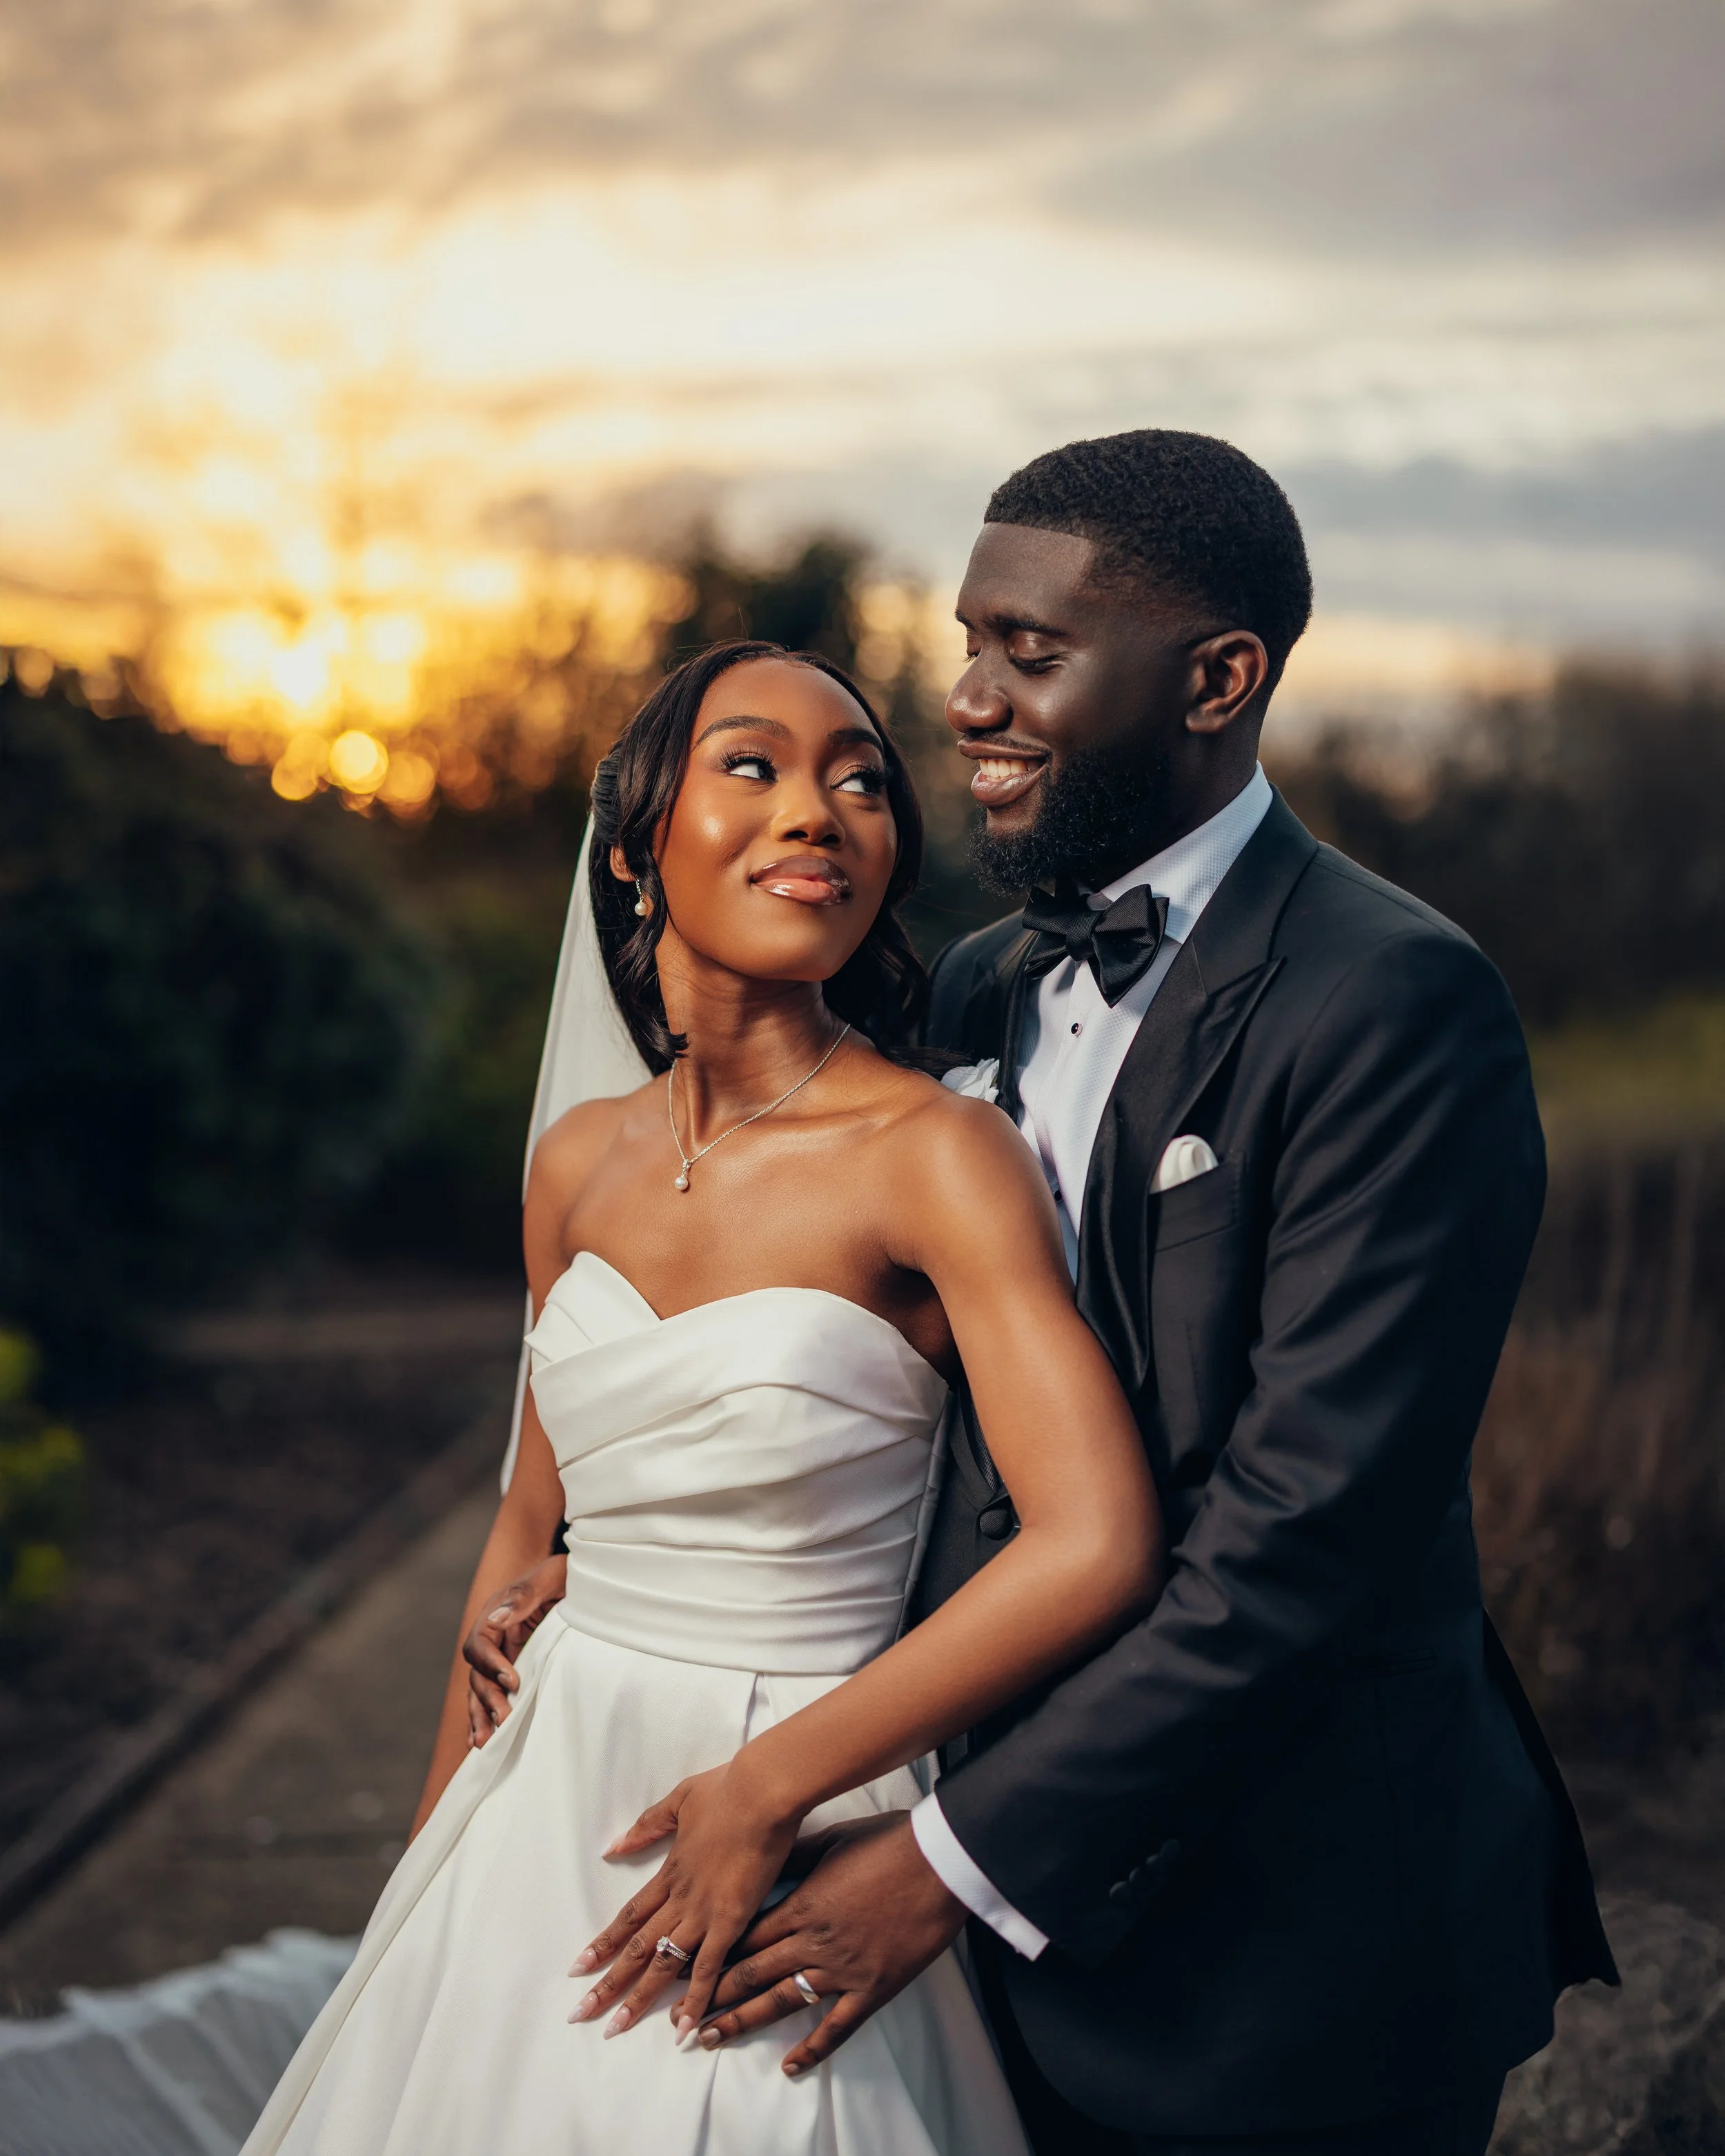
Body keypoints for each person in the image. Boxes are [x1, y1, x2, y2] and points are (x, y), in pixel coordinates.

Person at [506, 431, 1615, 2156]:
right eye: (967, 644)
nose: (966, 696)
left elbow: (1298, 1540)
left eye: (1030, 652)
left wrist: (943, 1868)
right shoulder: (983, 979)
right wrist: (618, 1550)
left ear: (1215, 677)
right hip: (986, 1937)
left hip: (1285, 1945)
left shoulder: (1392, 1001)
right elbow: (881, 1362)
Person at [240, 638, 1166, 2156]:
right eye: (755, 765)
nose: (820, 809)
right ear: (632, 851)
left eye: (860, 781)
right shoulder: (573, 1161)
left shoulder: (933, 1153)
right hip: (541, 1792)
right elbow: (525, 1523)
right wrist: (423, 1876)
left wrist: (768, 1785)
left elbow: (1095, 1541)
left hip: (791, 1790)